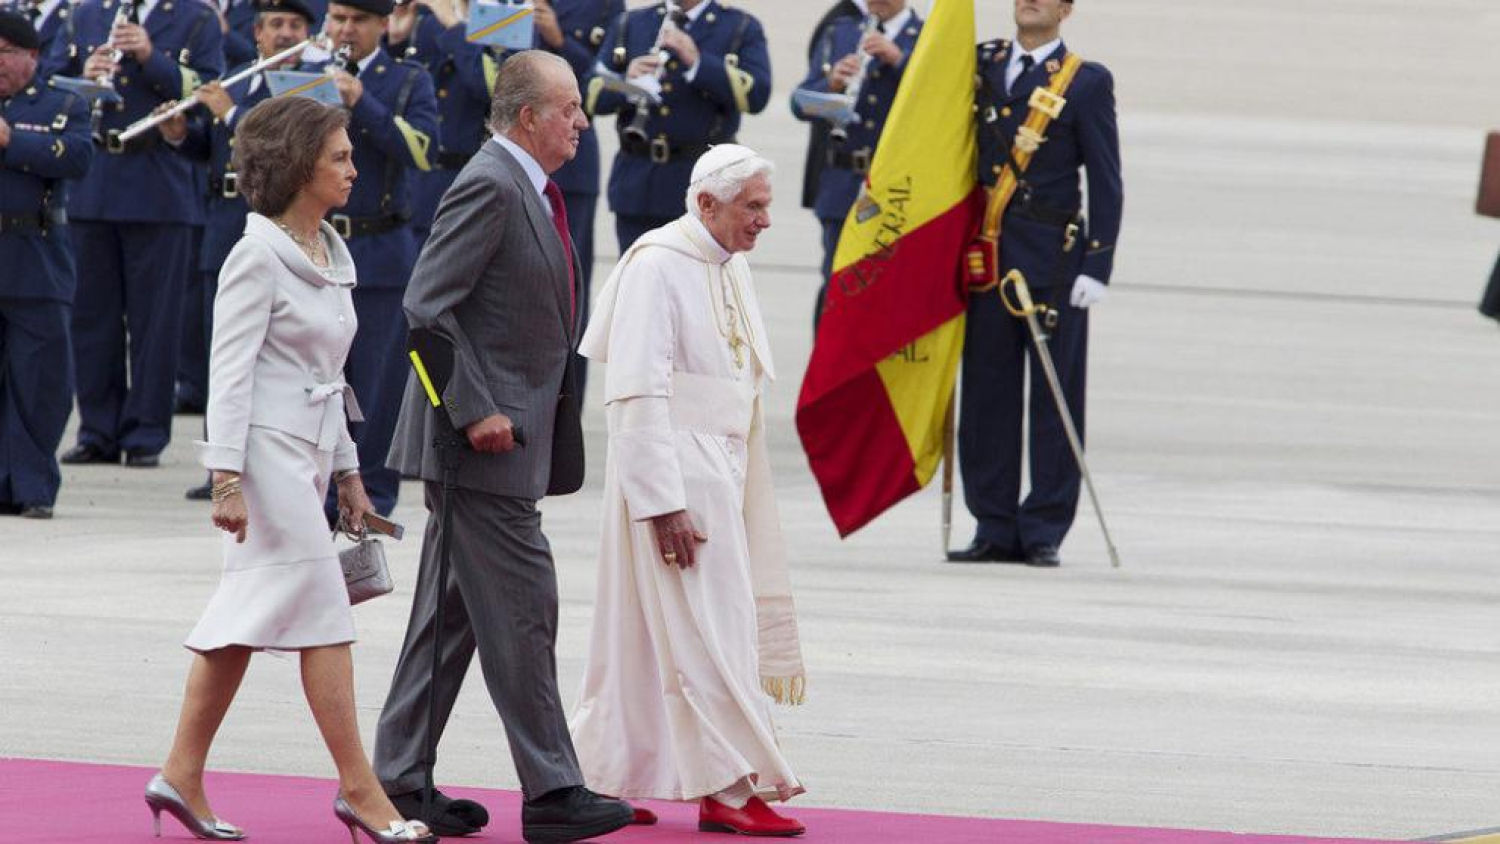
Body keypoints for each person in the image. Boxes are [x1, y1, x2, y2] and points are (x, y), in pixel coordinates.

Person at [145, 96, 434, 844]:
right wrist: (225, 479)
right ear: (300, 164)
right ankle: (360, 789)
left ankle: (180, 771)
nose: (353, 167)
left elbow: (329, 377)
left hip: (305, 460)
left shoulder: (329, 250)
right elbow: (229, 374)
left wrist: (347, 473)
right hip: (263, 462)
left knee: (241, 625)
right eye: (339, 156)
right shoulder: (255, 254)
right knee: (324, 616)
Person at [373, 50, 632, 844]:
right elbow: (426, 307)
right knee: (524, 611)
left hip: (507, 443)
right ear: (528, 117)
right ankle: (553, 791)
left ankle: (399, 778)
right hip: (481, 445)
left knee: (450, 620)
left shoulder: (524, 184)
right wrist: (476, 410)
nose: (582, 124)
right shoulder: (492, 182)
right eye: (570, 111)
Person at [569, 143, 808, 838]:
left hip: (717, 465)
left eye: (766, 205)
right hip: (673, 473)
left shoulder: (727, 262)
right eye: (753, 207)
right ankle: (729, 787)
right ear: (706, 204)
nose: (764, 221)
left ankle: (602, 777)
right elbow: (634, 389)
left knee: (642, 633)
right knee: (711, 627)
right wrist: (661, 500)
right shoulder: (657, 265)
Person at [947, 0, 1122, 568]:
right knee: (986, 396)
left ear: (1066, 9)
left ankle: (1044, 526)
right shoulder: (982, 63)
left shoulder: (1085, 82)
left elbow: (1105, 179)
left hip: (1053, 261)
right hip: (988, 256)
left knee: (1055, 397)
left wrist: (1098, 265)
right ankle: (993, 524)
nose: (1031, 1)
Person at [41, 0, 224, 468]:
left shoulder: (194, 18)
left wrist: (149, 56)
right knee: (91, 320)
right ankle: (97, 429)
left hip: (159, 184)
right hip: (93, 184)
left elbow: (207, 90)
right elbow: (47, 82)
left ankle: (145, 432)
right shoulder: (83, 14)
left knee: (154, 323)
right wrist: (85, 71)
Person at [164, 0, 317, 501]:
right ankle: (221, 467)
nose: (284, 33)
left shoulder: (312, 88)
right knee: (224, 352)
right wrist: (181, 134)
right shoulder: (239, 79)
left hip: (278, 230)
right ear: (257, 33)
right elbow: (212, 149)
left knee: (275, 355)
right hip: (224, 225)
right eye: (276, 25)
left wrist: (229, 113)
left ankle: (276, 465)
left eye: (295, 25)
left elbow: (280, 147)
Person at [313, 0, 439, 519]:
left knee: (376, 381)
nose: (345, 30)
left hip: (380, 249)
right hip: (316, 247)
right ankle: (318, 490)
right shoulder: (308, 73)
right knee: (321, 377)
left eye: (357, 21)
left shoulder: (407, 79)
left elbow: (424, 150)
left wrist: (362, 100)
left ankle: (374, 493)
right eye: (338, 19)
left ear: (383, 25)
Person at [0, 9, 92, 520]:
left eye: (4, 55)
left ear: (30, 56)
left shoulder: (62, 104)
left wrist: (15, 142)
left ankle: (32, 484)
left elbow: (78, 157)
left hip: (35, 254)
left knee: (41, 382)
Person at [588, 0, 771, 251]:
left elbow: (757, 96)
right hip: (639, 184)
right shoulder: (632, 23)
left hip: (705, 188)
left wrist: (698, 62)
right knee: (639, 282)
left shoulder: (740, 26)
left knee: (700, 281)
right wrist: (626, 83)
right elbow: (590, 95)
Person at [791, 0, 920, 326]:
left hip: (898, 190)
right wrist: (832, 84)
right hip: (842, 185)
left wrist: (899, 60)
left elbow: (943, 100)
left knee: (892, 292)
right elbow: (800, 102)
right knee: (838, 286)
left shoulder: (926, 36)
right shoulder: (841, 31)